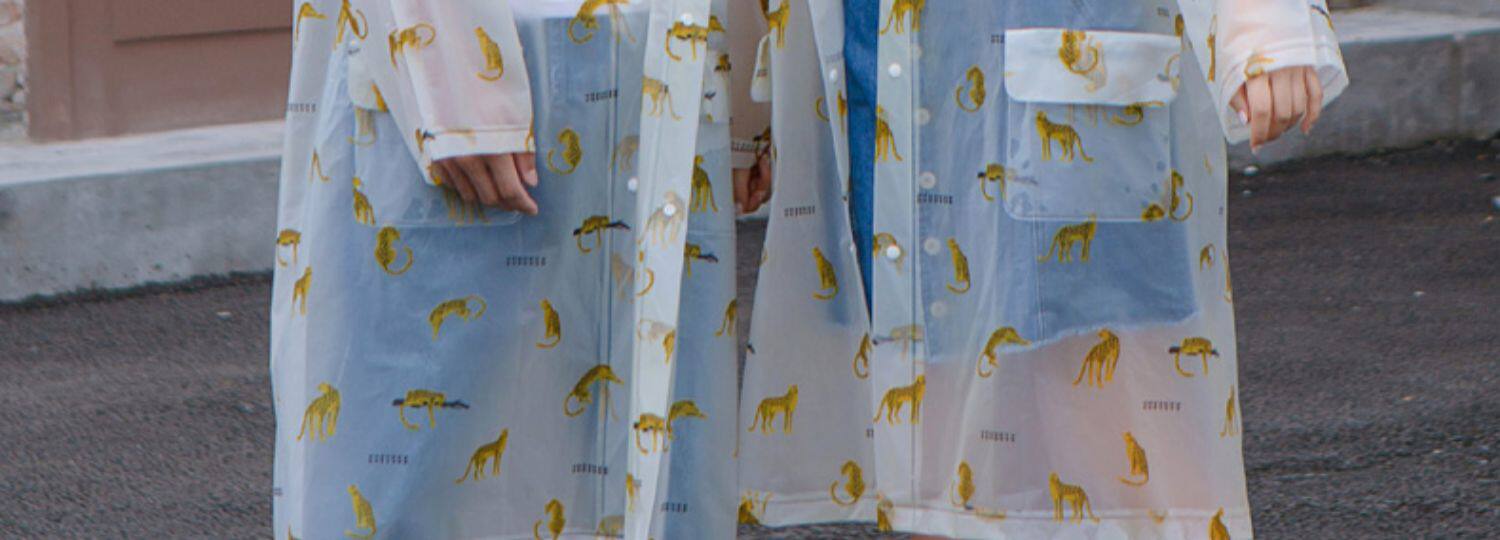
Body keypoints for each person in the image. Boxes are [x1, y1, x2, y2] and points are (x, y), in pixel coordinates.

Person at [732, 0, 1347, 538]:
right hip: (885, 58)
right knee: (941, 444)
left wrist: (1266, 26)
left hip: (1066, 45)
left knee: (1113, 406)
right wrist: (737, 103)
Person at [270, 1, 739, 538]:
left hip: (655, 63)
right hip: (456, 64)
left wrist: (744, 101)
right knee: (411, 463)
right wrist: (453, 88)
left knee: (643, 450)